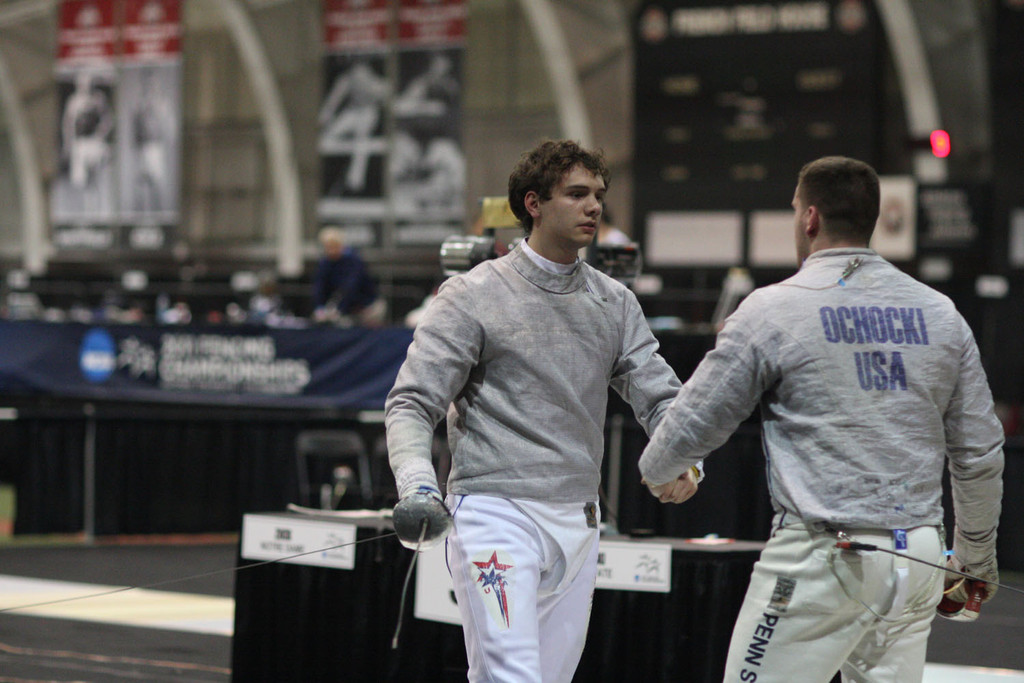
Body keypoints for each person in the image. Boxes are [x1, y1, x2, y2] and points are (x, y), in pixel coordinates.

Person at [638, 156, 1004, 682]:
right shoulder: (941, 313)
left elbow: (694, 423)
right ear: (871, 218)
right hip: (918, 556)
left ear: (809, 217)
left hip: (825, 554)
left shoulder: (773, 309)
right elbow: (979, 452)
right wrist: (974, 559)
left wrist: (660, 470)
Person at [385, 139, 700, 682]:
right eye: (576, 194)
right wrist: (417, 485)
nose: (593, 206)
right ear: (533, 203)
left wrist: (684, 459)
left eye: (597, 194)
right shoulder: (472, 294)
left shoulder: (613, 301)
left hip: (578, 519)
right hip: (494, 516)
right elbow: (412, 400)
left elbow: (660, 395)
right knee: (516, 676)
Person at [311, 226, 384, 326]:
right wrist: (320, 308)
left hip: (367, 305)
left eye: (334, 246)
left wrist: (339, 309)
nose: (331, 250)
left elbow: (351, 287)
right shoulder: (325, 263)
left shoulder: (353, 260)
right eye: (327, 247)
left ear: (341, 245)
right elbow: (320, 287)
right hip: (344, 309)